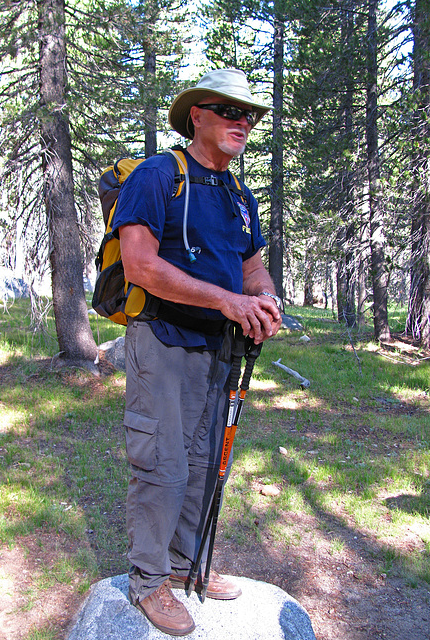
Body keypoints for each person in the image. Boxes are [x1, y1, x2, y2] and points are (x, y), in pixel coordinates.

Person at [112, 68, 283, 636]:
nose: (243, 121)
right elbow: (140, 265)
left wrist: (261, 300)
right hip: (161, 339)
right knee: (161, 463)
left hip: (221, 348)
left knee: (208, 463)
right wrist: (226, 301)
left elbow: (251, 266)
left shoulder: (239, 195)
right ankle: (149, 580)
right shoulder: (159, 175)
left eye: (250, 114)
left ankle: (188, 567)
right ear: (197, 116)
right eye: (229, 110)